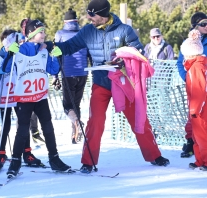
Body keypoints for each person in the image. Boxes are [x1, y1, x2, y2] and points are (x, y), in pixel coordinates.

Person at [49, 0, 170, 173]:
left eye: (92, 15)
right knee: (95, 122)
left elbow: (138, 51)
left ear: (103, 15)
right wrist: (51, 46)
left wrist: (122, 59)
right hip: (101, 83)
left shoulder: (124, 30)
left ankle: (154, 155)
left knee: (138, 118)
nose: (89, 18)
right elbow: (69, 46)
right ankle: (88, 161)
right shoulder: (88, 31)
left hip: (122, 82)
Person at [1, 19, 71, 177]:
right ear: (32, 34)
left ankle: (54, 159)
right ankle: (16, 162)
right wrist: (8, 53)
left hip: (40, 97)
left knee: (48, 128)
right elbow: (5, 69)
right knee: (23, 131)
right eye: (41, 32)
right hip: (24, 99)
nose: (44, 34)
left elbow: (53, 69)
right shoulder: (19, 49)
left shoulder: (44, 50)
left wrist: (56, 57)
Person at [0, 29, 42, 169]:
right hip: (5, 97)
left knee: (23, 125)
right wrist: (0, 71)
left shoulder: (19, 55)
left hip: (19, 96)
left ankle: (27, 154)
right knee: (5, 126)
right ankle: (1, 154)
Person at [52, 8, 90, 144]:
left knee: (68, 106)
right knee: (76, 104)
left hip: (68, 72)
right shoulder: (83, 34)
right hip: (83, 73)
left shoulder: (60, 34)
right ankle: (75, 135)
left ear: (65, 22)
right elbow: (89, 53)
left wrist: (55, 75)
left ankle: (78, 123)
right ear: (77, 21)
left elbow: (57, 55)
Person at [177, 12, 207, 158]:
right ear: (195, 26)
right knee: (193, 119)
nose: (206, 27)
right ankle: (192, 144)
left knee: (201, 120)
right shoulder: (189, 43)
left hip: (202, 83)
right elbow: (180, 63)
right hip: (193, 82)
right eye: (203, 24)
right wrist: (188, 78)